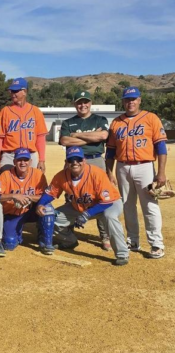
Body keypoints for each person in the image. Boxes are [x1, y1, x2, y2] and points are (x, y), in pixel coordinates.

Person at [36, 146, 129, 265]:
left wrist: (87, 214)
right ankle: (69, 241)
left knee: (109, 217)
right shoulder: (61, 176)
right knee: (51, 218)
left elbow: (107, 201)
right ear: (66, 162)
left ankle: (122, 254)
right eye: (71, 160)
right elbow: (50, 193)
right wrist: (40, 204)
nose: (75, 162)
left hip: (109, 204)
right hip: (80, 205)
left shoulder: (96, 173)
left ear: (84, 160)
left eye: (78, 159)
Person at [105, 87, 168, 259]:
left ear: (139, 100)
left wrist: (161, 172)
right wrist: (109, 172)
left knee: (150, 205)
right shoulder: (116, 122)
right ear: (123, 101)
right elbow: (110, 151)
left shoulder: (151, 118)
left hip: (145, 166)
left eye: (133, 99)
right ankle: (133, 240)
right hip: (122, 167)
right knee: (127, 205)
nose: (130, 102)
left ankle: (156, 243)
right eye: (127, 99)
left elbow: (161, 147)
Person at [59, 90, 111, 251]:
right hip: (73, 162)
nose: (83, 105)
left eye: (85, 102)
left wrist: (76, 136)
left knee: (101, 197)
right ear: (75, 104)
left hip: (96, 160)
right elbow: (64, 140)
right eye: (79, 102)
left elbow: (102, 136)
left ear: (90, 103)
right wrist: (91, 137)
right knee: (71, 196)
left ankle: (105, 236)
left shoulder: (100, 119)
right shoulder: (68, 122)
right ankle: (68, 234)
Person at [0, 78, 47, 174]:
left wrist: (42, 160)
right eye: (11, 91)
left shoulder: (35, 111)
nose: (13, 94)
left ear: (24, 91)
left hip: (30, 155)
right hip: (10, 155)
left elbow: (40, 137)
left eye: (16, 91)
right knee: (6, 180)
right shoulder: (5, 111)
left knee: (33, 181)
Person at [0, 148, 48, 252]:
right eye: (19, 160)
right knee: (9, 243)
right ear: (14, 161)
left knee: (48, 209)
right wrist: (13, 196)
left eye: (25, 160)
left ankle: (45, 239)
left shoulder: (38, 174)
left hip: (32, 211)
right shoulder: (6, 175)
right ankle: (17, 230)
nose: (23, 163)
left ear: (30, 161)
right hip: (12, 214)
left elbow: (46, 196)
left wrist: (28, 197)